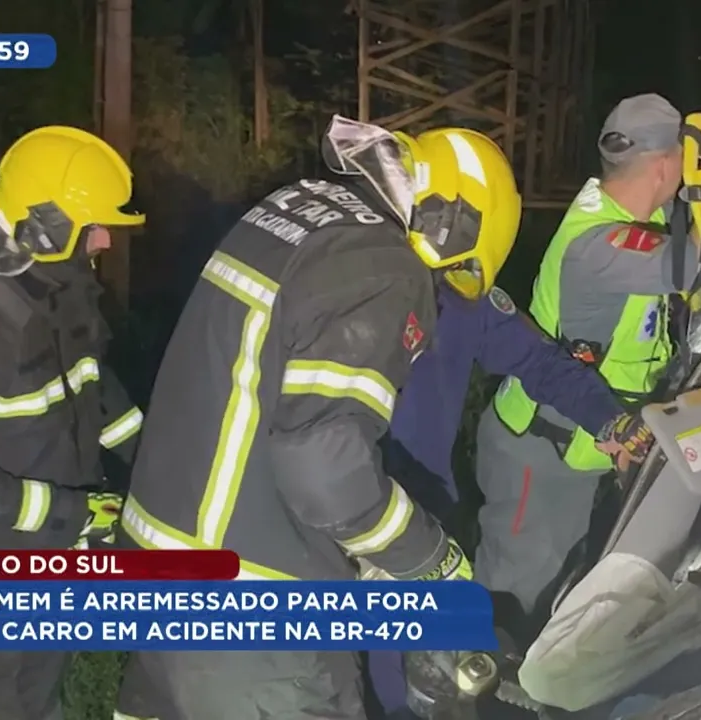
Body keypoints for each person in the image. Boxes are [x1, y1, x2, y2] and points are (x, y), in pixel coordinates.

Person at [111, 116, 522, 720]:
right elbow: (324, 470)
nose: (436, 288)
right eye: (451, 271)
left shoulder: (299, 211)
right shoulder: (382, 266)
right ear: (454, 224)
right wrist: (425, 559)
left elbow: (271, 410)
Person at [478, 82, 701, 623]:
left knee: (569, 585)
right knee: (513, 600)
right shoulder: (603, 246)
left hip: (588, 442)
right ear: (664, 167)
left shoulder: (637, 211)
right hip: (542, 452)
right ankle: (465, 697)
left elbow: (695, 230)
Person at [368, 208, 655, 720]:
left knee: (424, 668)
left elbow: (539, 361)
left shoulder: (463, 302)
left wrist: (611, 422)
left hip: (426, 508)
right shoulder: (351, 299)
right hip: (349, 512)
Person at [0, 125, 147, 720]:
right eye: (95, 227)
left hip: (51, 555)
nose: (107, 241)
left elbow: (93, 394)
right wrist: (75, 513)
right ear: (48, 227)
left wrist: (159, 459)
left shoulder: (55, 298)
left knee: (41, 697)